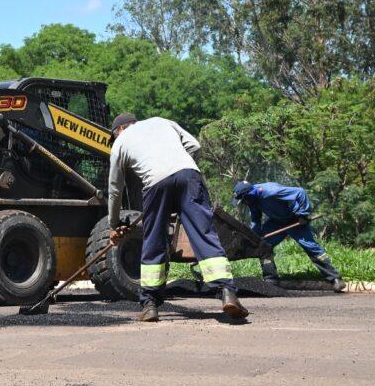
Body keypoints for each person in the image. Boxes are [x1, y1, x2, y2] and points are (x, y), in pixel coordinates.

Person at [107, 113, 248, 322]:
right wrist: (178, 167)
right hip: (190, 176)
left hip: (155, 183)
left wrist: (114, 224)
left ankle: (150, 304)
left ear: (119, 130)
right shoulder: (161, 122)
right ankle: (227, 292)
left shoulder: (120, 143)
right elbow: (195, 146)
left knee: (153, 239)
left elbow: (115, 189)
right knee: (204, 233)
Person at [233, 181, 346, 292]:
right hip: (276, 222)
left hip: (294, 219)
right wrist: (255, 235)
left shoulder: (271, 191)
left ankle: (335, 279)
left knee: (311, 248)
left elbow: (300, 192)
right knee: (263, 246)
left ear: (248, 195)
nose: (244, 203)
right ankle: (271, 280)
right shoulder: (253, 200)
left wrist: (303, 214)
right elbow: (256, 218)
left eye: (243, 200)